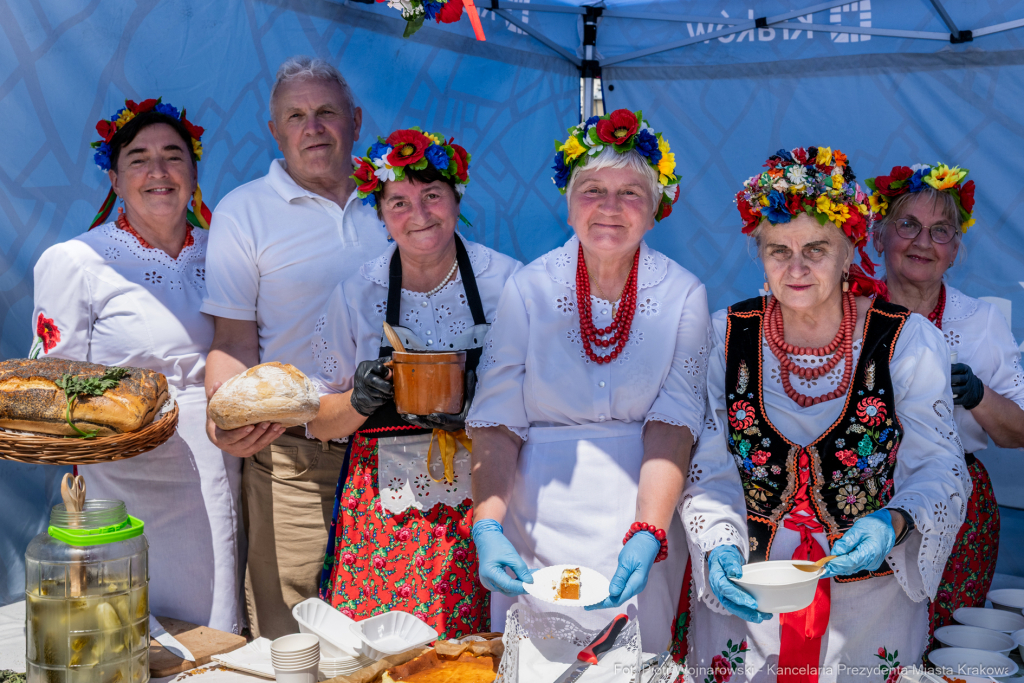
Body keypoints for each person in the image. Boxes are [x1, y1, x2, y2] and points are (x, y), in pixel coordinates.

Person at [680, 147, 971, 681]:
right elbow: (708, 463)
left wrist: (895, 521)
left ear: (851, 249)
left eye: (815, 248)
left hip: (872, 605)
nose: (795, 268)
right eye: (777, 250)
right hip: (750, 597)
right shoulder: (725, 335)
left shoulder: (908, 341)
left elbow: (940, 466)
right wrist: (718, 544)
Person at [466, 109, 707, 650]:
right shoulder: (527, 288)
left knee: (634, 660)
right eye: (593, 189)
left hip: (642, 510)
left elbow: (675, 421)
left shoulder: (683, 293)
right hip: (534, 515)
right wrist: (488, 526)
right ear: (569, 203)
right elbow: (498, 418)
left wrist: (648, 531)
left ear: (655, 210)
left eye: (630, 194)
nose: (610, 208)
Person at [31, 97, 243, 632]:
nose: (158, 171)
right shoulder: (78, 261)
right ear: (115, 180)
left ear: (194, 174)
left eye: (174, 156)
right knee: (139, 624)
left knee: (223, 621)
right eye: (139, 158)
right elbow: (50, 390)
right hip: (130, 475)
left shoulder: (224, 252)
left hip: (228, 459)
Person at [202, 57, 389, 638]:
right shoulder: (243, 212)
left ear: (355, 121)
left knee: (389, 617)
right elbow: (231, 341)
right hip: (294, 454)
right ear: (275, 130)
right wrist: (220, 418)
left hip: (398, 446)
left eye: (327, 112)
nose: (313, 127)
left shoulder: (399, 202)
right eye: (297, 116)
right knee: (292, 627)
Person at [307, 128, 520, 636]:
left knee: (475, 651)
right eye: (398, 201)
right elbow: (315, 422)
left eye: (432, 195)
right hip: (380, 515)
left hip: (487, 503)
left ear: (457, 198)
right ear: (379, 215)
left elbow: (545, 398)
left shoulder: (509, 283)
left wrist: (480, 408)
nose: (419, 214)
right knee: (380, 654)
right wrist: (358, 400)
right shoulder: (355, 294)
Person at [867, 163, 1024, 634]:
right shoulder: (846, 312)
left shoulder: (979, 323)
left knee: (946, 641)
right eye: (907, 225)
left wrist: (977, 395)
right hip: (862, 497)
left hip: (959, 508)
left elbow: (1019, 431)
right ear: (878, 237)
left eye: (940, 232)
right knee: (867, 640)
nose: (922, 242)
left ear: (955, 251)